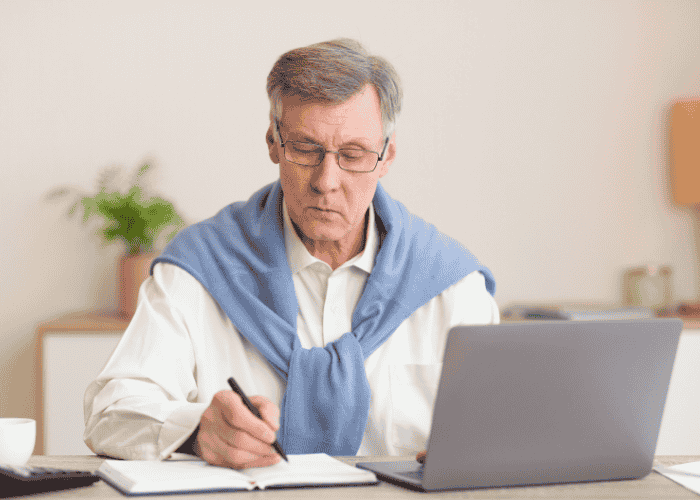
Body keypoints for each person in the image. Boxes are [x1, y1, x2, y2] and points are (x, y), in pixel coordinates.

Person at [84, 38, 499, 470]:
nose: (326, 180)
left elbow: (506, 427)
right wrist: (196, 430)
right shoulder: (199, 269)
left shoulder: (452, 287)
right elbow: (111, 412)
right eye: (305, 148)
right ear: (273, 142)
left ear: (386, 156)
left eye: (353, 155)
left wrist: (484, 450)